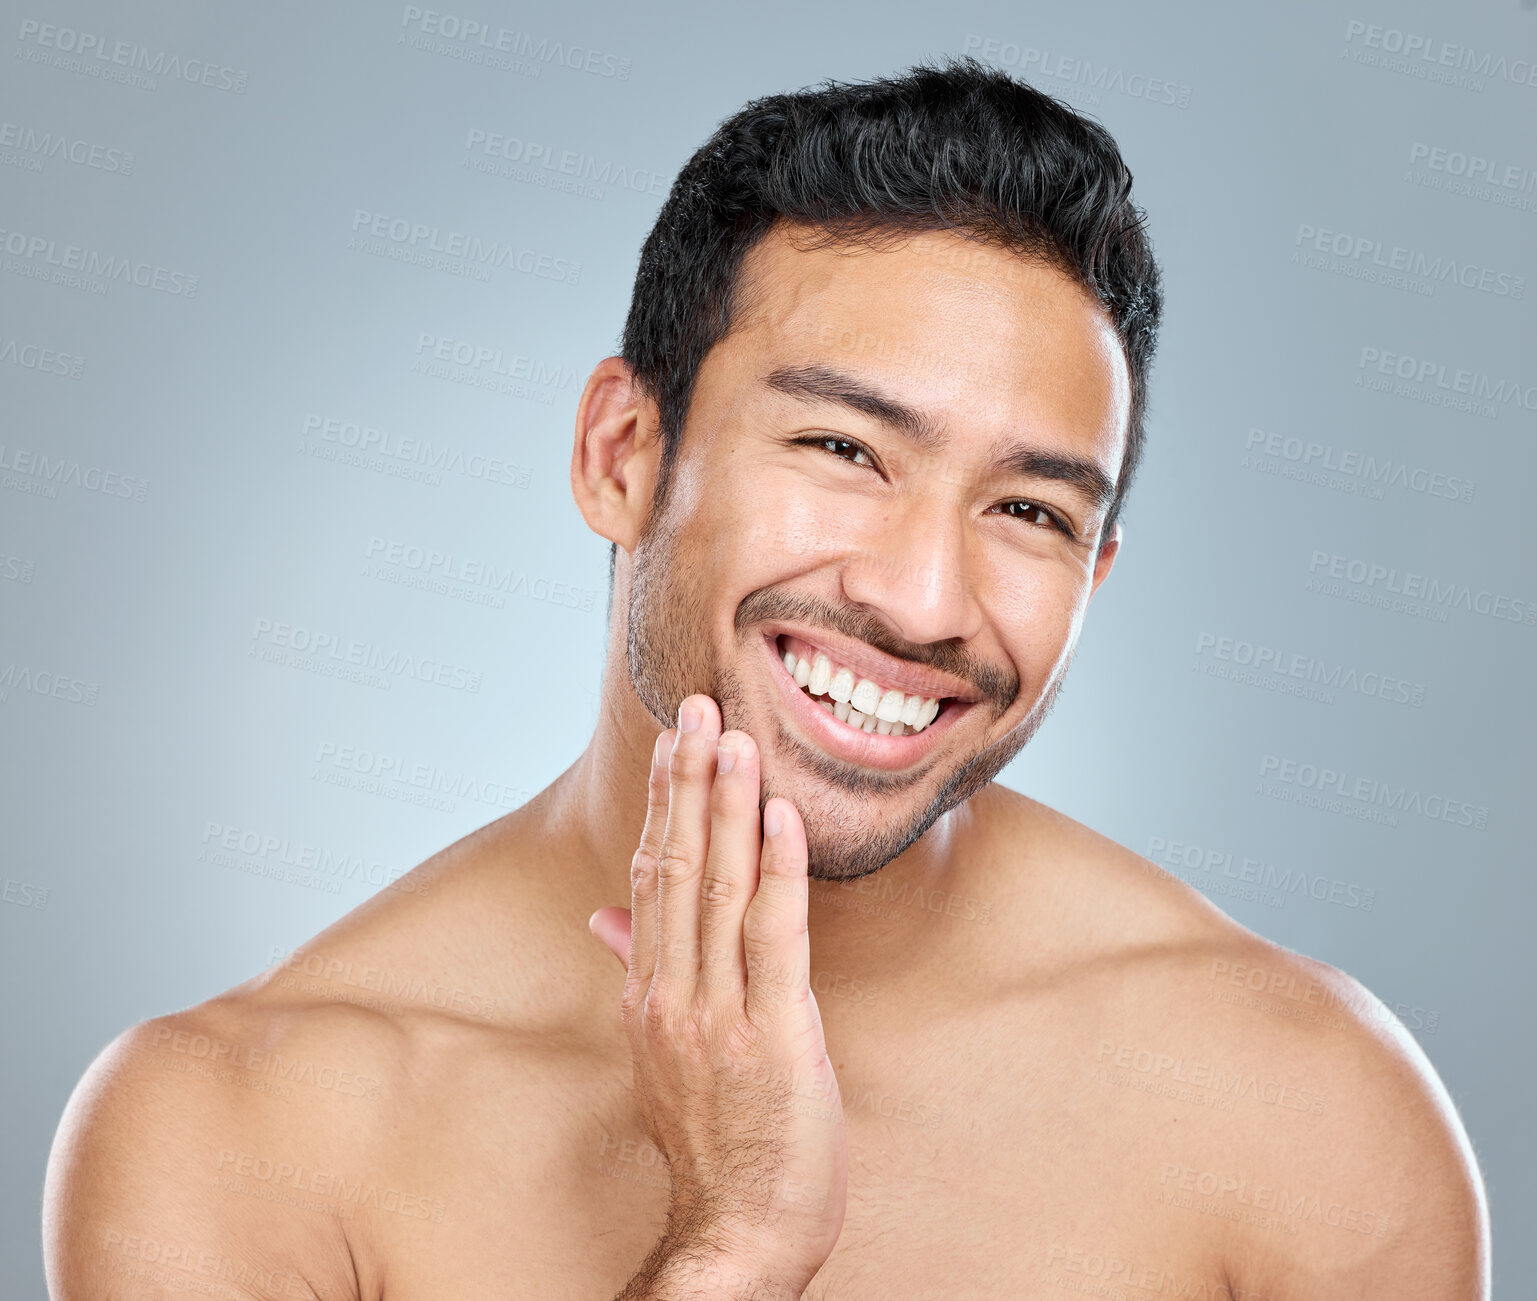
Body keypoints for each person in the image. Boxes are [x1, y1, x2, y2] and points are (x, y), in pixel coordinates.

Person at [43, 57, 1488, 1300]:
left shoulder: (1306, 1109)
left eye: (1030, 511)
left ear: (1095, 574)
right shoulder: (229, 1132)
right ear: (622, 454)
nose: (924, 601)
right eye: (843, 450)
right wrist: (730, 1244)